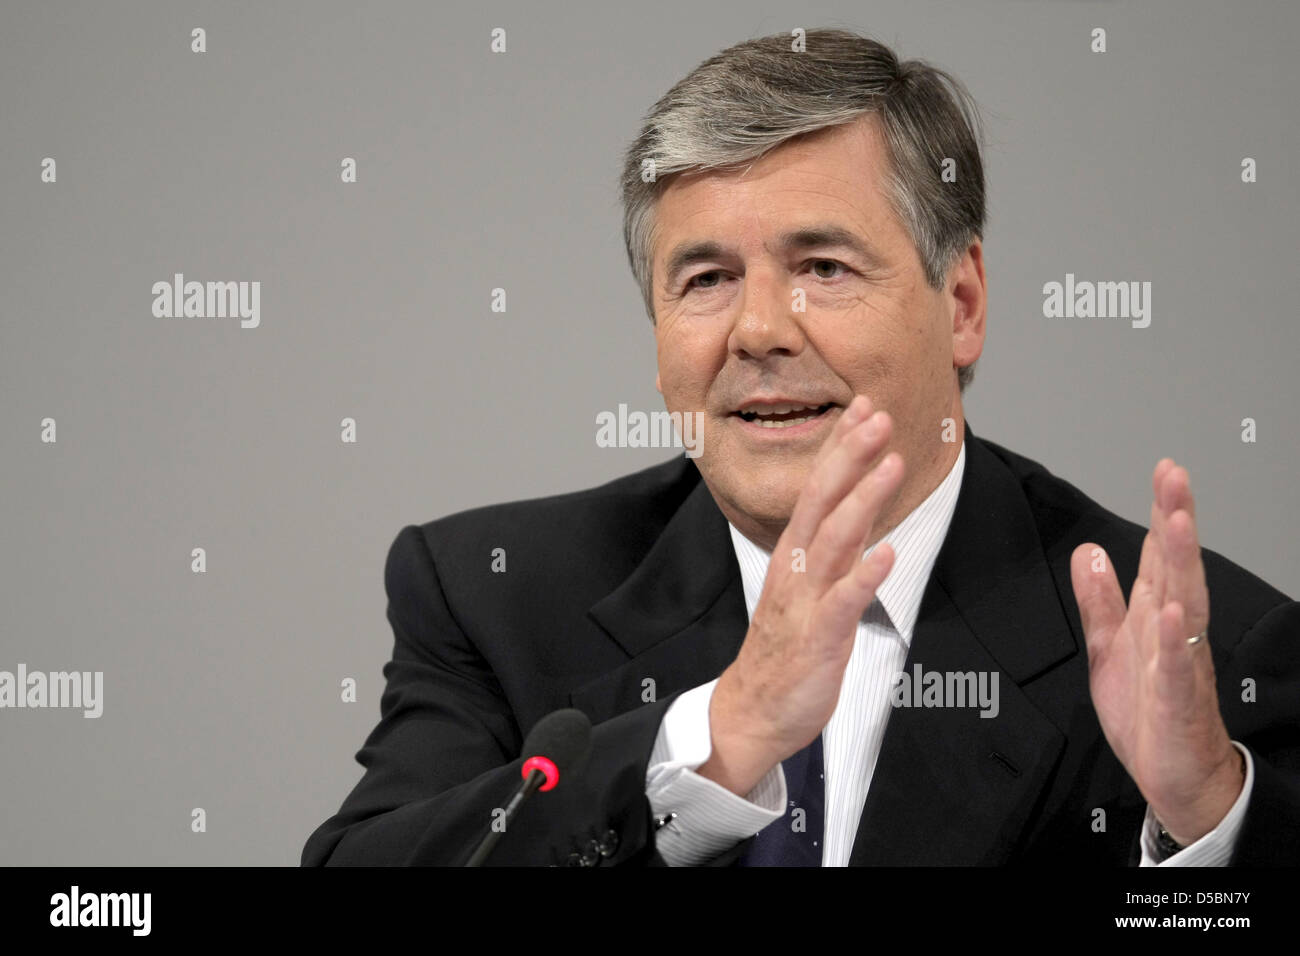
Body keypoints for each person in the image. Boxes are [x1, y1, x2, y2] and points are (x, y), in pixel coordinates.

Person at [301, 28, 1299, 866]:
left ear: (960, 304)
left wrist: (1203, 829)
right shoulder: (496, 594)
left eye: (821, 266)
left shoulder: (1201, 652)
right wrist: (710, 741)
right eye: (704, 279)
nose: (756, 330)